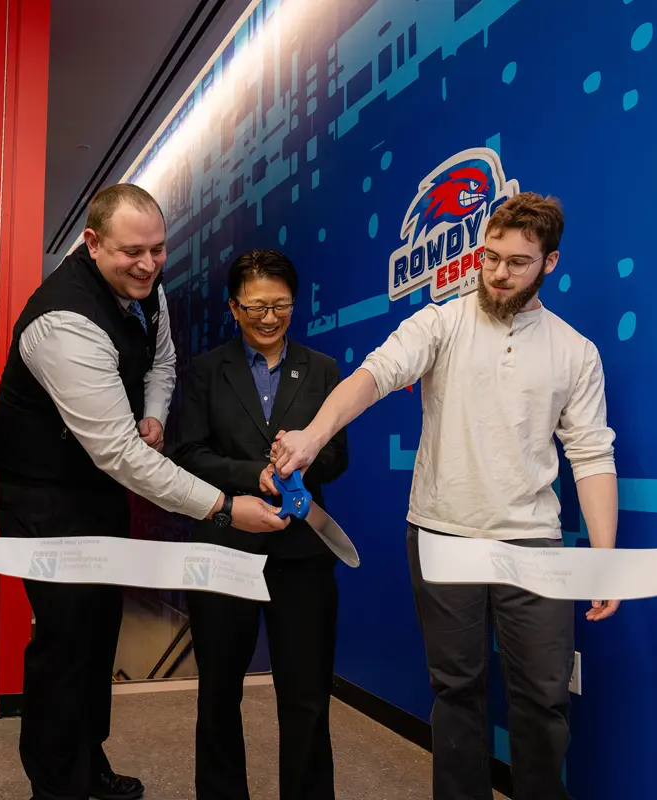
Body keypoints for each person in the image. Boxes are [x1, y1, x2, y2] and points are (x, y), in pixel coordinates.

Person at [271, 193, 618, 800]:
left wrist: (604, 558)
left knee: (544, 697)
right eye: (490, 256)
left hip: (533, 543)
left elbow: (591, 456)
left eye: (518, 262)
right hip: (442, 532)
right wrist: (312, 436)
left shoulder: (576, 351)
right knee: (456, 692)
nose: (498, 273)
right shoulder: (442, 321)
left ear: (550, 262)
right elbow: (375, 375)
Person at [0, 183, 289, 800]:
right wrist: (224, 507)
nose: (149, 265)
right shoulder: (63, 324)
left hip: (96, 489)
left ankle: (88, 761)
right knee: (64, 640)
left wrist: (152, 412)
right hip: (44, 498)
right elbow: (120, 454)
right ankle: (58, 787)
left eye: (157, 249)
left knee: (100, 634)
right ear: (92, 243)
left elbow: (161, 362)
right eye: (133, 252)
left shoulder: (145, 289)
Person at [169, 249, 349, 800]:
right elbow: (188, 454)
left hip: (302, 555)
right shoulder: (205, 372)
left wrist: (302, 460)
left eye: (281, 306)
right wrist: (256, 474)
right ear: (233, 307)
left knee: (307, 694)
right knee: (219, 692)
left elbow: (337, 456)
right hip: (224, 546)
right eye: (255, 307)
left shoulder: (323, 370)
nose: (269, 318)